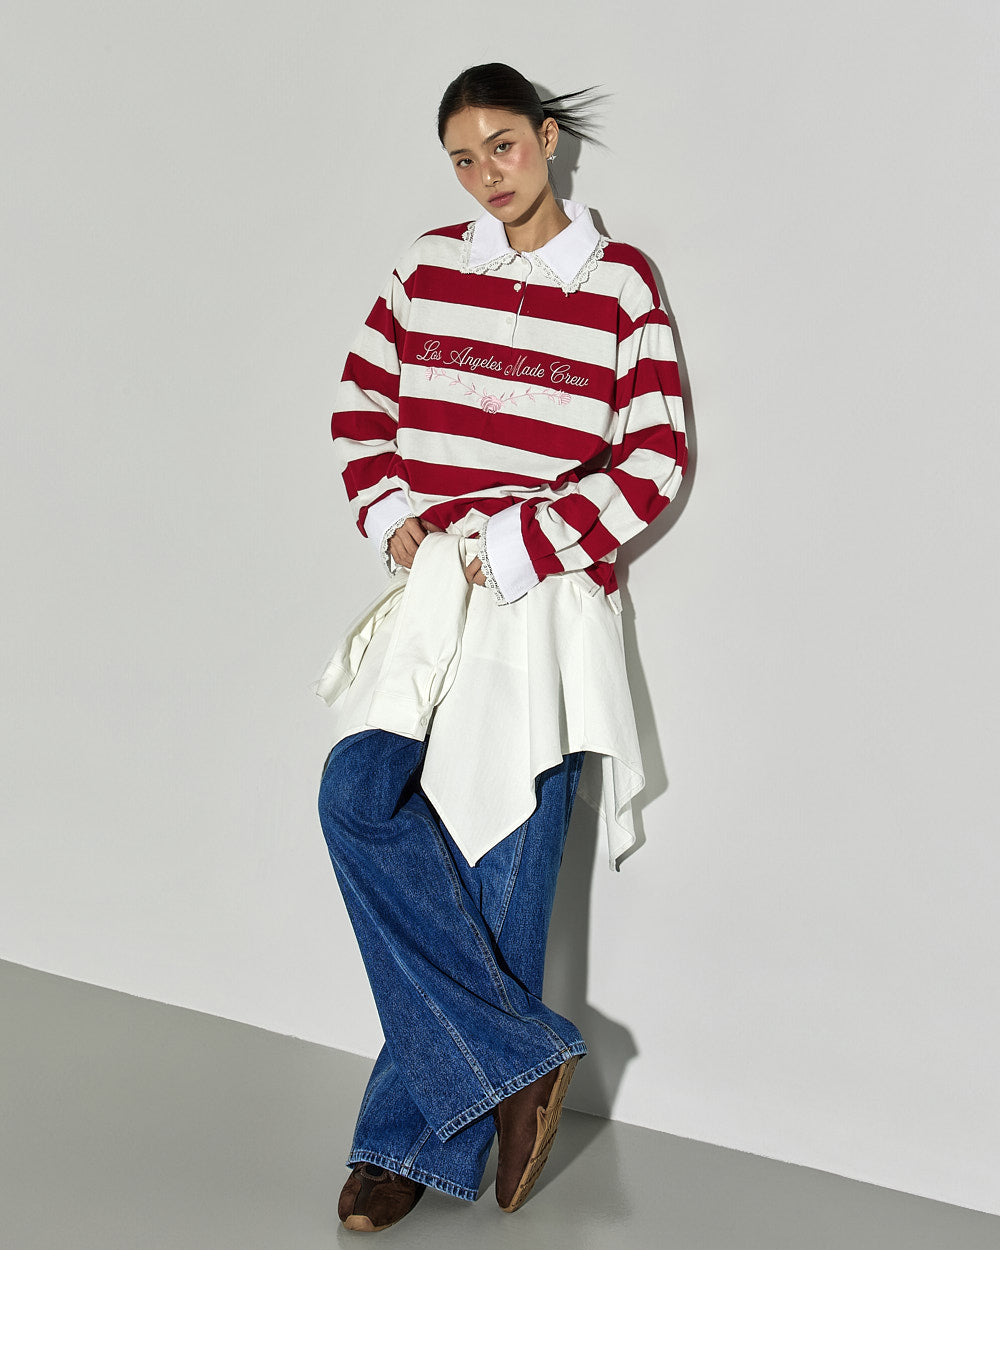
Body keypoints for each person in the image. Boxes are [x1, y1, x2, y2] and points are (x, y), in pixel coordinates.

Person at [315, 62, 687, 1233]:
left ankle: (402, 1146)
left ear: (548, 137)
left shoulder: (618, 283)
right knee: (356, 796)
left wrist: (524, 541)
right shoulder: (425, 266)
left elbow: (655, 457)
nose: (486, 175)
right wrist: (390, 512)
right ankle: (522, 1056)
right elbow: (361, 405)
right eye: (463, 160)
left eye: (503, 147)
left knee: (502, 869)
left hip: (545, 604)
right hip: (435, 591)